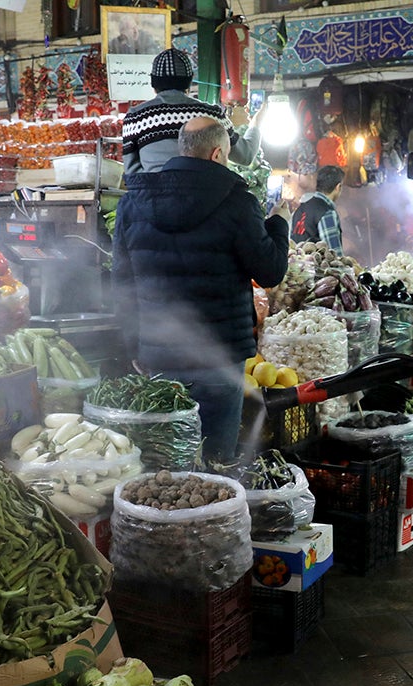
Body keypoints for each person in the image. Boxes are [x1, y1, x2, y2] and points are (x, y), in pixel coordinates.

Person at [112, 116, 290, 461]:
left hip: (159, 352)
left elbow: (122, 283)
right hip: (218, 356)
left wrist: (134, 344)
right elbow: (270, 271)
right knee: (217, 459)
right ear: (217, 154)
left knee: (166, 456)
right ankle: (213, 513)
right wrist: (279, 223)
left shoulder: (133, 203)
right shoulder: (238, 202)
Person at [121, 49, 264, 176]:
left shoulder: (135, 117)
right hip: (206, 201)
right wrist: (257, 123)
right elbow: (246, 156)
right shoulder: (212, 115)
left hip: (154, 202)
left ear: (154, 85)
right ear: (188, 84)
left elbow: (132, 175)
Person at [291, 166, 345, 253]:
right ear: (338, 187)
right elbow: (335, 253)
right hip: (317, 266)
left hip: (296, 265)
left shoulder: (299, 210)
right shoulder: (326, 212)